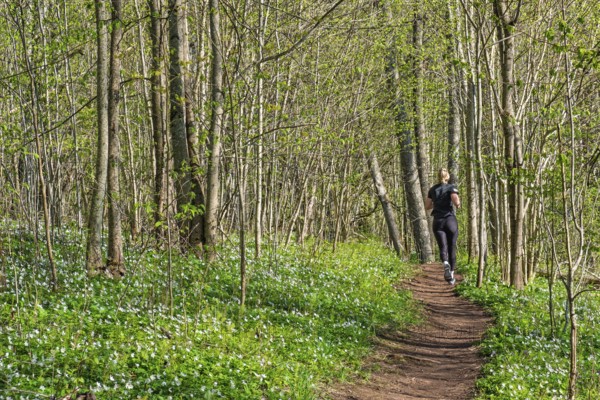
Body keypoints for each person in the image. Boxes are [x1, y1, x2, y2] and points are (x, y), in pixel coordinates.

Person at [425, 168, 461, 285]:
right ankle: (451, 273)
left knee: (443, 246)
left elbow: (427, 206)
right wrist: (458, 204)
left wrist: (437, 203)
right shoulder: (451, 187)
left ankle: (445, 262)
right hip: (449, 219)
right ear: (447, 176)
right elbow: (455, 200)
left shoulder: (432, 189)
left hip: (438, 221)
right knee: (452, 246)